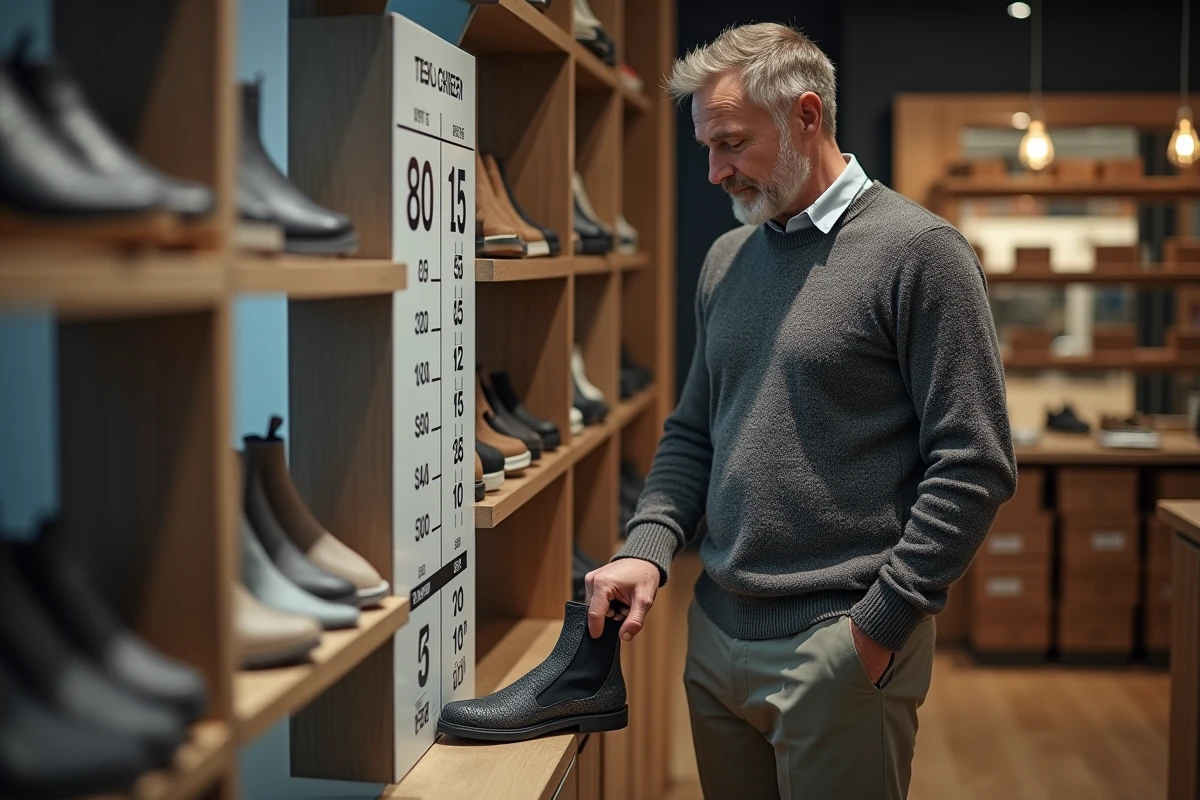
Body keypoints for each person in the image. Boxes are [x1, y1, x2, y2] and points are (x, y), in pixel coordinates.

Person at [583, 21, 1017, 800]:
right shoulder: (727, 259)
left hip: (840, 642)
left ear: (806, 116)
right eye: (706, 147)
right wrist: (646, 548)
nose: (714, 171)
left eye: (732, 145)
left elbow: (975, 462)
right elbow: (694, 431)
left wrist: (879, 627)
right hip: (715, 634)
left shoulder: (921, 254)